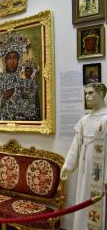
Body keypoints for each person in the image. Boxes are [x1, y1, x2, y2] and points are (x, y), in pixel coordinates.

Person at [60, 83, 107, 230]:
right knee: (82, 200)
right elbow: (76, 147)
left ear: (101, 94)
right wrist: (67, 166)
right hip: (84, 172)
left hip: (101, 174)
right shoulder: (84, 120)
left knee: (98, 205)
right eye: (86, 93)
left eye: (91, 93)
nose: (87, 97)